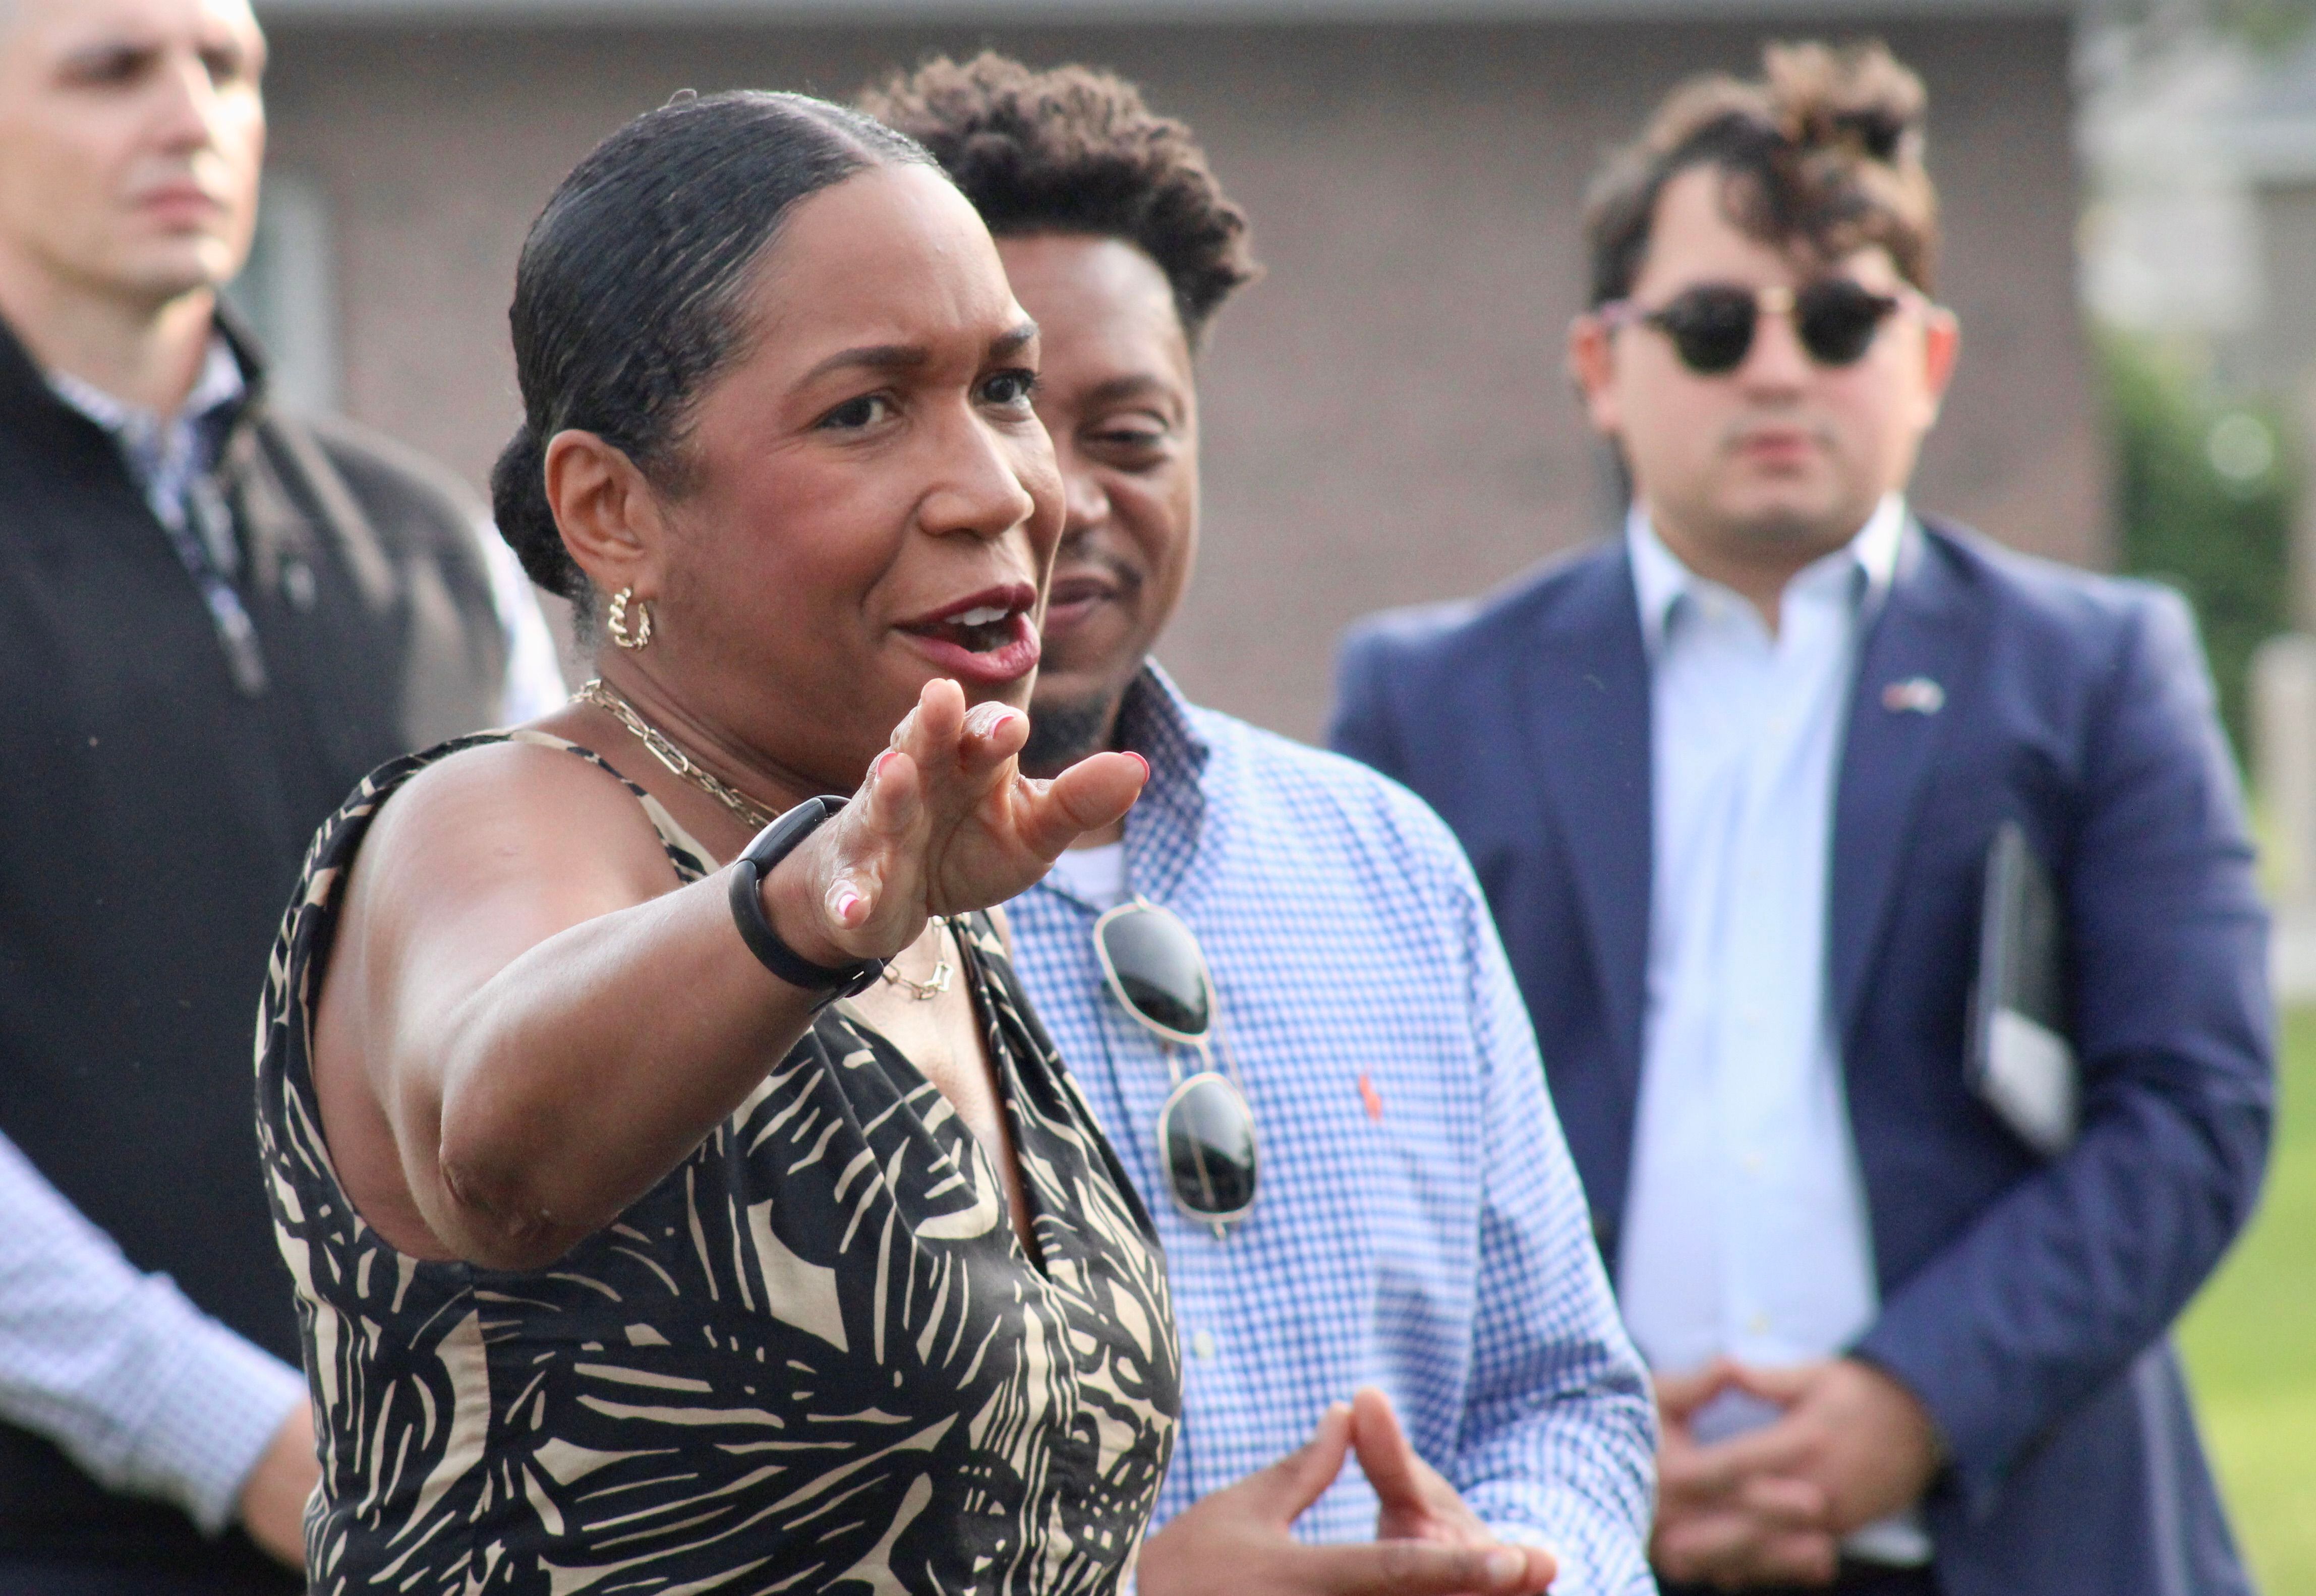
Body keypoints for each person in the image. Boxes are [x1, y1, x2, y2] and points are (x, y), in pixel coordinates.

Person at [1331, 40, 2270, 1596]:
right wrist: (1600, 1437)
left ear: (1930, 360)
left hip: (2025, 1536)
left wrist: (1913, 1402)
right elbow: (1372, 1135)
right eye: (1711, 325)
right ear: (1598, 368)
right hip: (1579, 1546)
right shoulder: (1428, 700)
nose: (1776, 370)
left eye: (1839, 319)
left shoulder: (2102, 673)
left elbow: (2195, 1106)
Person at [864, 54, 1655, 1596]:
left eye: (1134, 434)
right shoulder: (777, 920)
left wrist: (1508, 1568)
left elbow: (1564, 1390)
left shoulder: (1388, 866)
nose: (1062, 499)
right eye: (1006, 417)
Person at [0, 0, 555, 1588]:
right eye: (113, 70)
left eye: (228, 70)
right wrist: (234, 1434)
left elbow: (560, 1007)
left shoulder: (433, 549)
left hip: (475, 1523)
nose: (190, 114)